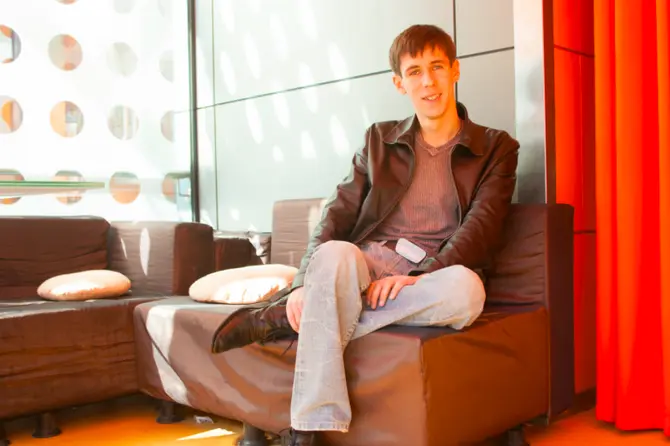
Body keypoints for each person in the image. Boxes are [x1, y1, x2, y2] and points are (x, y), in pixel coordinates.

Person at [212, 24, 520, 446]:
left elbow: (482, 227)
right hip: (364, 265)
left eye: (436, 67)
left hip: (428, 277)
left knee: (468, 293)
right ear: (399, 83)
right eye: (414, 72)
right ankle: (309, 428)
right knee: (334, 255)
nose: (428, 82)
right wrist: (303, 283)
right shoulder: (379, 140)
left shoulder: (497, 148)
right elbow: (338, 211)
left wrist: (421, 276)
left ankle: (294, 317)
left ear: (455, 70)